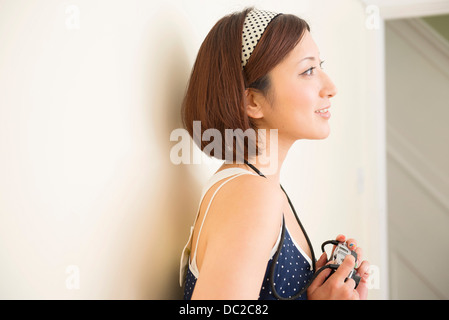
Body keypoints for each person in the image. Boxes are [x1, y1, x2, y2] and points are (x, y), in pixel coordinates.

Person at [179, 7, 370, 300]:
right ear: (252, 101)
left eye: (321, 66)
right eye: (308, 71)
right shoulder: (252, 194)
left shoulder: (258, 187)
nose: (330, 87)